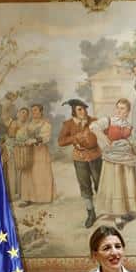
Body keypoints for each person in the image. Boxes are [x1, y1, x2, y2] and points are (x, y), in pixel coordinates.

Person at [90, 98, 136, 229]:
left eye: (122, 108)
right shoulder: (109, 120)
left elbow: (133, 141)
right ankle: (117, 216)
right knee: (116, 185)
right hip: (113, 159)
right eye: (118, 108)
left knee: (126, 184)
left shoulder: (129, 125)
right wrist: (103, 139)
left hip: (127, 158)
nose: (119, 111)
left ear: (128, 111)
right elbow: (93, 126)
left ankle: (126, 211)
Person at [57, 98, 102, 228]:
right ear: (74, 111)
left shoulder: (94, 121)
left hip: (95, 156)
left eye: (85, 109)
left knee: (100, 183)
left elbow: (104, 134)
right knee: (85, 186)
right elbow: (61, 141)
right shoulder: (68, 124)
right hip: (80, 158)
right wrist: (75, 137)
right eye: (80, 109)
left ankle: (107, 209)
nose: (83, 111)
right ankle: (91, 213)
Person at [19, 103, 55, 206]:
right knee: (28, 174)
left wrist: (34, 140)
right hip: (29, 152)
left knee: (41, 173)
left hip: (41, 152)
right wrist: (23, 140)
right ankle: (27, 198)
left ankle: (43, 197)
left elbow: (46, 137)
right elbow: (23, 134)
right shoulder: (28, 125)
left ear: (41, 112)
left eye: (35, 110)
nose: (33, 113)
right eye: (32, 111)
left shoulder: (46, 124)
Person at [4, 105, 29, 201]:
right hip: (10, 148)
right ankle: (11, 194)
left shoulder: (26, 126)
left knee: (20, 171)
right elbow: (11, 137)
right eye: (22, 113)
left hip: (20, 150)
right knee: (11, 171)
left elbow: (25, 138)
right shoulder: (13, 123)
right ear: (18, 114)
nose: (24, 115)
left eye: (26, 114)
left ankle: (19, 193)